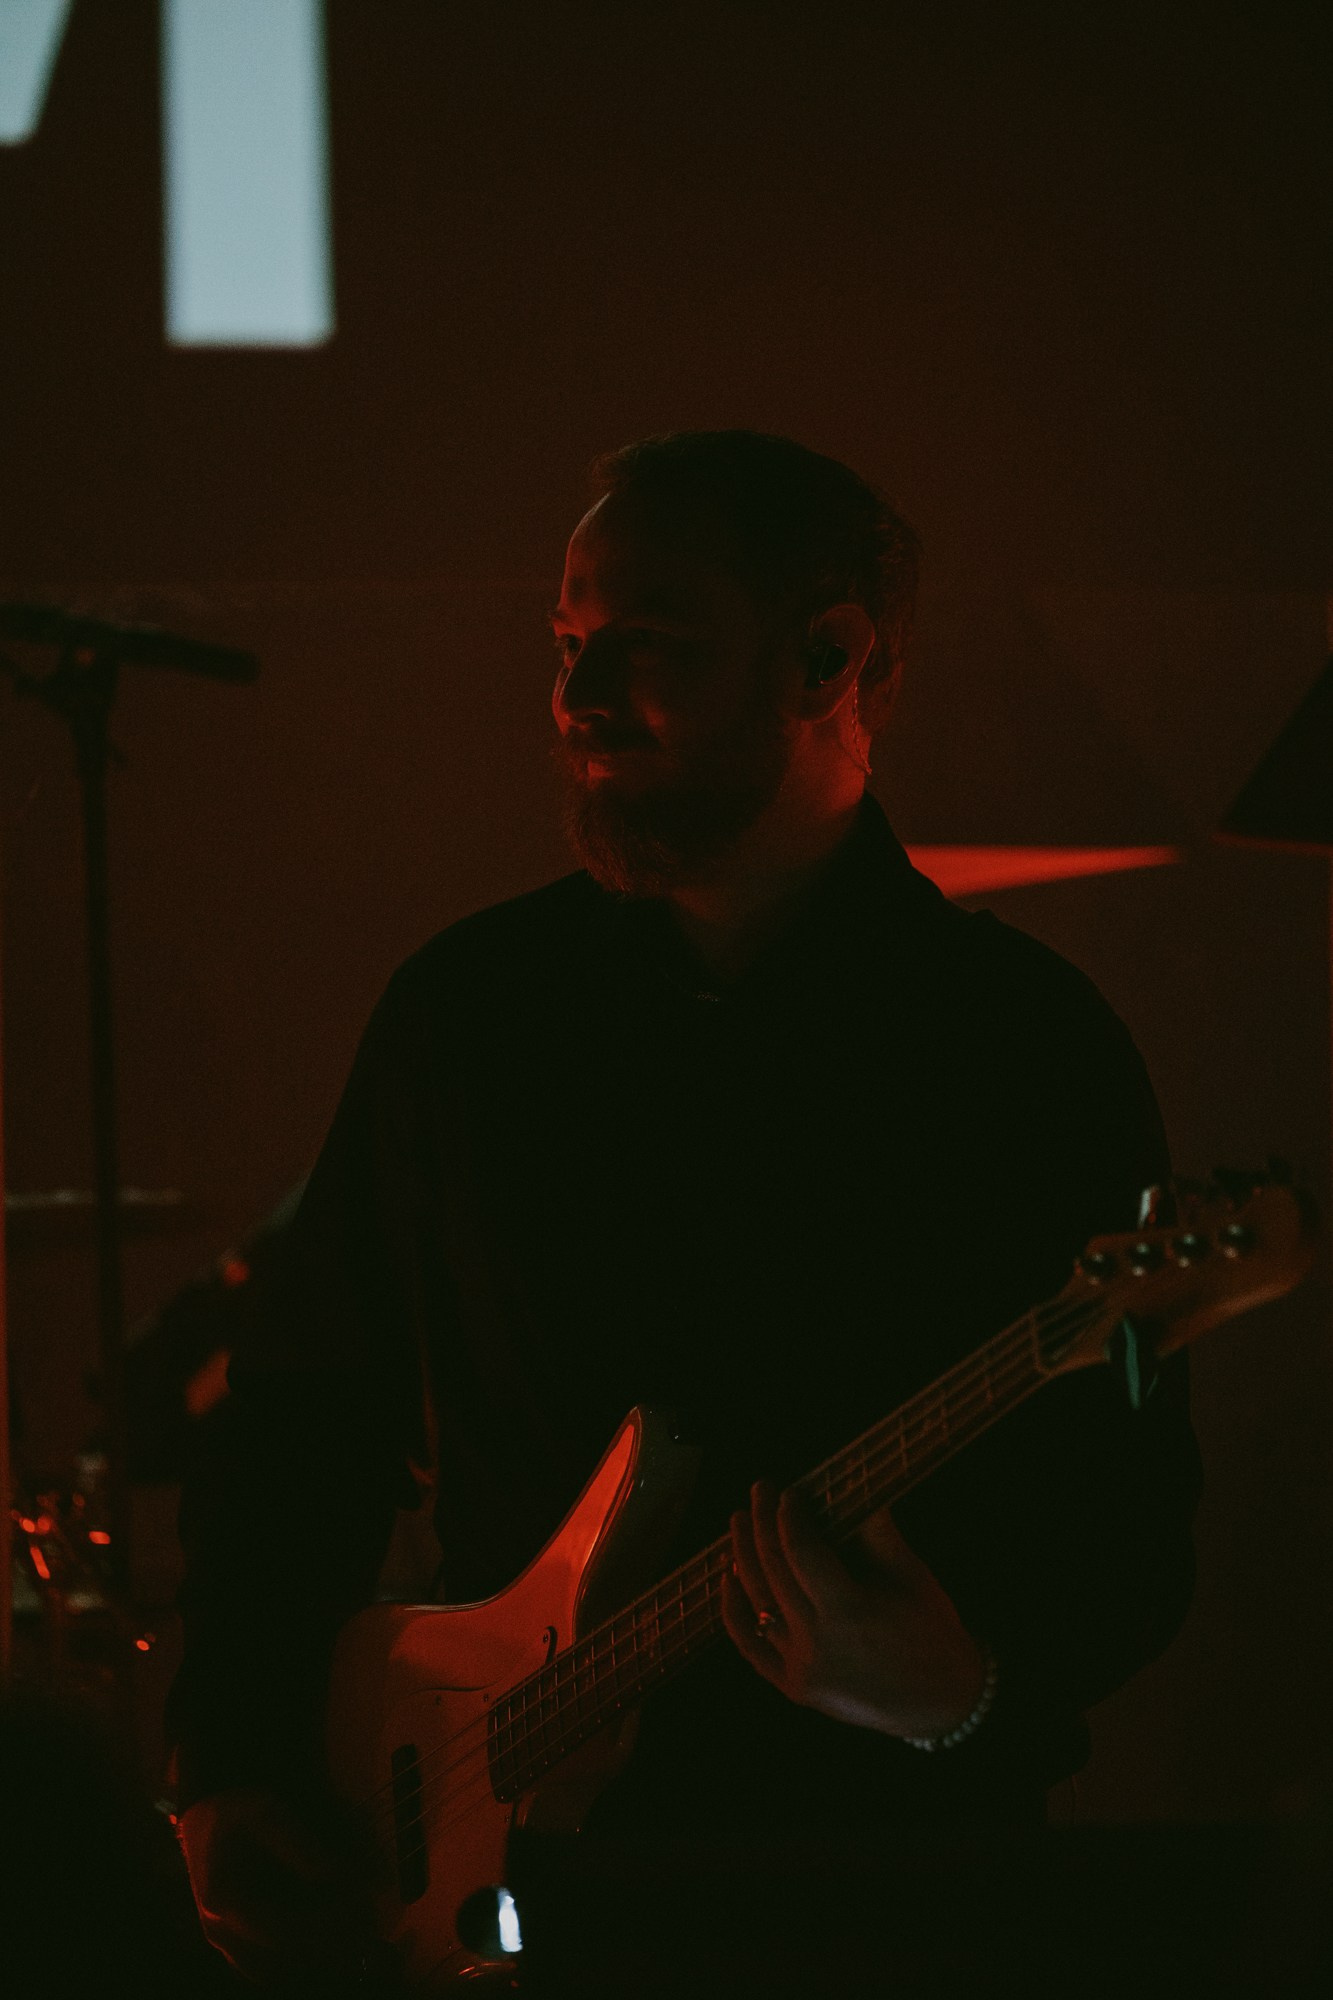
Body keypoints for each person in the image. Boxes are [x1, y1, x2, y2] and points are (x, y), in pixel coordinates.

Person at [170, 431, 1200, 1984]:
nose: (576, 698)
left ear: (827, 657)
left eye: (647, 643)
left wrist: (963, 1693)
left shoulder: (1022, 1051)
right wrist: (232, 1756)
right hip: (519, 1893)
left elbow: (1128, 1522)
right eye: (567, 643)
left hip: (891, 1900)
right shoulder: (468, 1014)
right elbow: (305, 1415)